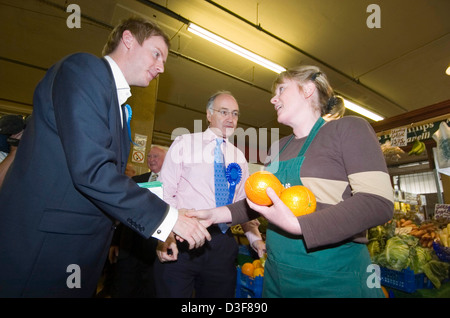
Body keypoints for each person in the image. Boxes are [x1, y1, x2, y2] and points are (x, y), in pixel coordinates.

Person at [0, 17, 210, 298]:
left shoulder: (120, 110)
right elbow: (93, 171)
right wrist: (167, 218)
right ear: (128, 40)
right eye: (156, 54)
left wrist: (160, 231)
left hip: (75, 251)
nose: (161, 67)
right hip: (44, 248)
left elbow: (105, 186)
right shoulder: (84, 69)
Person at [188, 65, 394, 298]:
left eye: (281, 90)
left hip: (333, 277)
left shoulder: (349, 129)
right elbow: (260, 201)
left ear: (307, 90)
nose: (273, 99)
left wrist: (300, 226)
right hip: (277, 277)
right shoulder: (278, 147)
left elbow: (378, 202)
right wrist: (215, 215)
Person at [153, 91, 266, 298]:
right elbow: (164, 193)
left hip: (222, 246)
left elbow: (244, 205)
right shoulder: (184, 143)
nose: (230, 119)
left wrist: (255, 240)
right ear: (209, 114)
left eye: (235, 114)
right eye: (224, 112)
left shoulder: (238, 157)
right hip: (182, 241)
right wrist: (165, 236)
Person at [108, 146, 167, 298]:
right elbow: (122, 214)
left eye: (155, 156)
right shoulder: (135, 182)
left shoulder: (172, 186)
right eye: (149, 156)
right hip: (130, 248)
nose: (151, 159)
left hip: (156, 252)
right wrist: (115, 242)